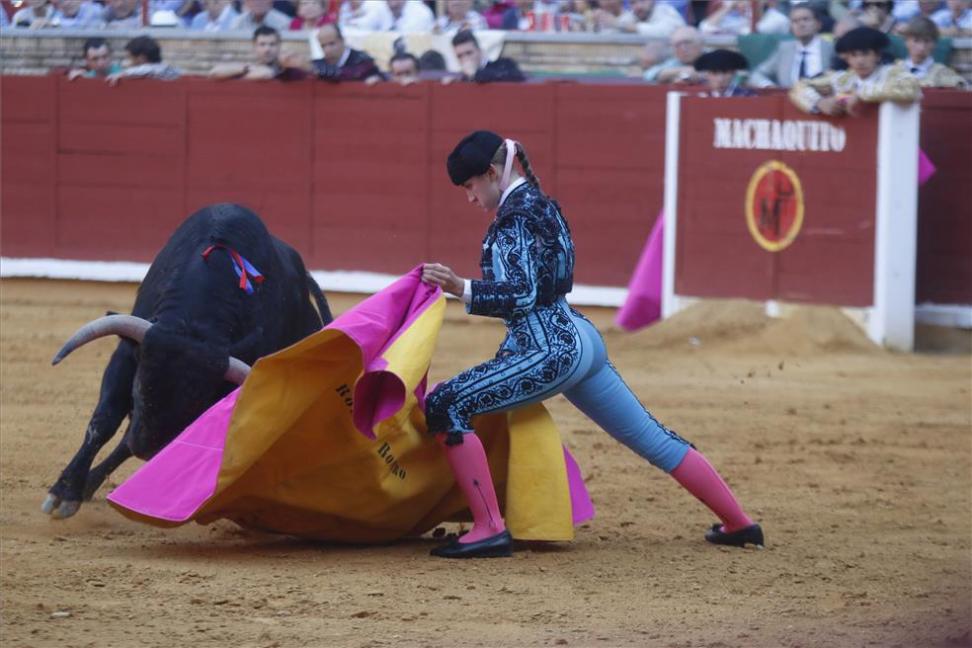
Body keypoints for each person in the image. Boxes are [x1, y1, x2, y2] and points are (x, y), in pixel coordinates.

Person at [420, 131, 763, 559]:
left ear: (491, 174)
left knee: (447, 404)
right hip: (581, 339)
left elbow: (522, 294)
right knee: (652, 438)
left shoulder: (513, 219)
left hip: (549, 351)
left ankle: (489, 527)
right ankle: (739, 522)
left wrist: (461, 287)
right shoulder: (542, 204)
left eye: (471, 187)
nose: (470, 198)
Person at [789, 26, 921, 115]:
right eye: (853, 55)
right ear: (847, 59)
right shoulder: (844, 79)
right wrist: (820, 103)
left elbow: (911, 89)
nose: (859, 61)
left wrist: (860, 95)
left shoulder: (892, 72)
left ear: (877, 55)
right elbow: (798, 87)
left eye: (865, 54)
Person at [749, 3, 835, 88]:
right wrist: (769, 86)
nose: (801, 24)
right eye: (795, 21)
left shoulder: (830, 49)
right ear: (791, 27)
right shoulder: (784, 49)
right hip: (786, 99)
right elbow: (757, 74)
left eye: (806, 19)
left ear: (818, 24)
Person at [209, 26, 307, 80]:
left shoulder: (289, 71)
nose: (267, 49)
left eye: (272, 44)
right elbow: (214, 73)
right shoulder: (247, 69)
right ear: (254, 47)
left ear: (279, 46)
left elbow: (266, 74)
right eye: (262, 44)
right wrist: (247, 68)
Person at [900, 16, 967, 87]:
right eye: (916, 41)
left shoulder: (944, 73)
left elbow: (963, 88)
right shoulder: (894, 71)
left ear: (934, 44)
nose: (921, 47)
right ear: (906, 41)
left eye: (927, 41)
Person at [311, 22, 384, 82]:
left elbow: (348, 74)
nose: (327, 50)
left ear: (342, 40)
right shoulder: (320, 64)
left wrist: (313, 68)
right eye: (323, 46)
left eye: (331, 44)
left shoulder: (362, 60)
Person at [450, 29, 526, 82]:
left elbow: (517, 76)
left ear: (480, 51)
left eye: (469, 53)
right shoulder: (460, 78)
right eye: (459, 56)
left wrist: (476, 74)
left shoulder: (504, 64)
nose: (465, 58)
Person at [107, 35, 181, 85]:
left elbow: (148, 69)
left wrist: (123, 74)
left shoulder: (157, 69)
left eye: (130, 58)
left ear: (141, 58)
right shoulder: (165, 68)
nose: (129, 61)